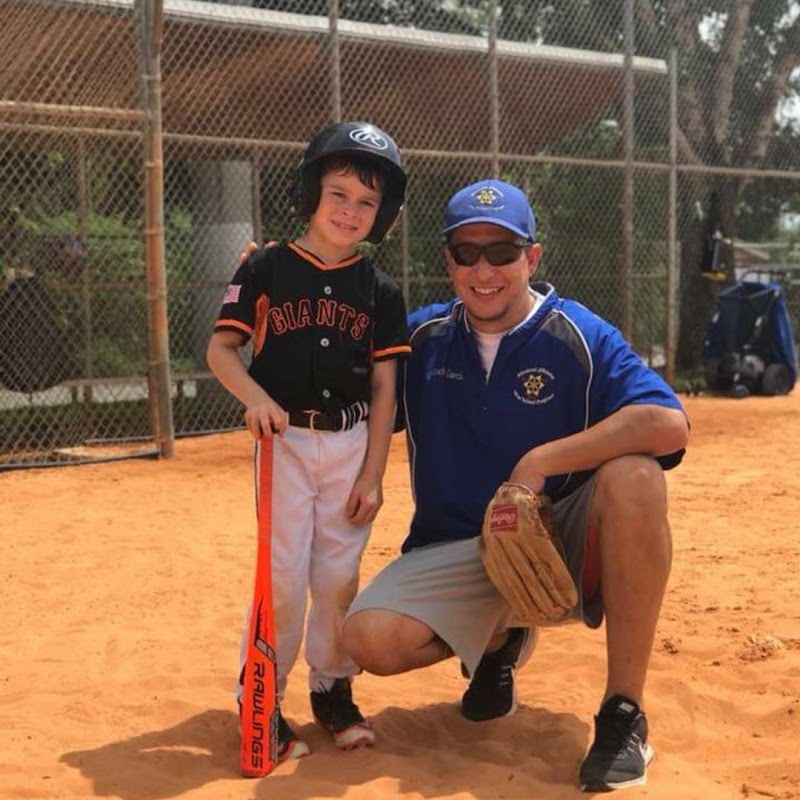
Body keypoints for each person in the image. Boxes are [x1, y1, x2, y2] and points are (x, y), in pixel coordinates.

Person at [340, 179, 690, 792]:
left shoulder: (577, 335)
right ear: (447, 260)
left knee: (635, 476)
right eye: (466, 252)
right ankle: (501, 638)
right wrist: (276, 286)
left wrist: (541, 461)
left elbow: (667, 422)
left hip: (561, 544)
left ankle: (623, 715)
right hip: (459, 545)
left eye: (501, 252)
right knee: (370, 641)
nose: (484, 270)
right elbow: (336, 377)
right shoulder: (421, 339)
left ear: (531, 256)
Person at [206, 121, 411, 763]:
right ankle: (262, 698)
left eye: (366, 202)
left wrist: (373, 473)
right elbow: (221, 350)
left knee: (337, 577)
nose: (350, 210)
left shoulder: (379, 291)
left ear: (382, 215)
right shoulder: (265, 267)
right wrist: (257, 398)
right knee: (284, 578)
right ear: (310, 192)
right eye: (339, 193)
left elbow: (385, 390)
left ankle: (332, 689)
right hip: (286, 444)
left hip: (350, 445)